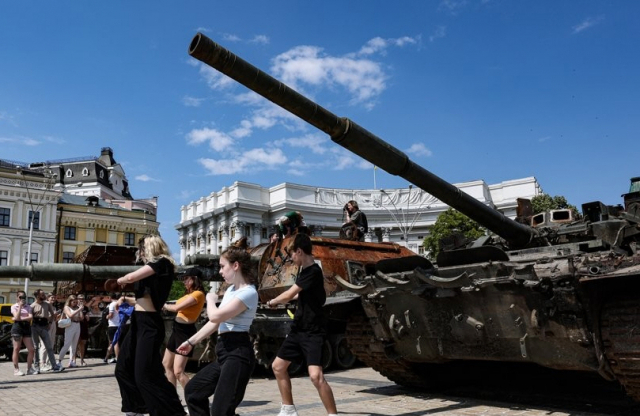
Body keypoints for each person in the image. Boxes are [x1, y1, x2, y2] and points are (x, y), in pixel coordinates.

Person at [177, 246, 258, 416]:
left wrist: (210, 299)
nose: (220, 271)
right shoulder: (230, 290)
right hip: (224, 352)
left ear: (235, 265)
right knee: (193, 391)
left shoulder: (249, 292)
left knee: (221, 411)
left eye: (223, 266)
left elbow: (215, 316)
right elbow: (216, 322)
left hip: (238, 353)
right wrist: (191, 342)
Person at [266, 234, 337, 416]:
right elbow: (302, 295)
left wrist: (273, 301)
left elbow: (290, 294)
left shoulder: (312, 271)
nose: (290, 258)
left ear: (299, 251)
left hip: (313, 331)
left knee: (316, 376)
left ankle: (333, 414)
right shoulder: (306, 272)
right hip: (298, 329)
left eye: (292, 255)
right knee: (278, 366)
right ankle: (288, 409)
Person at [115, 235, 186, 416]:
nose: (140, 254)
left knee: (144, 374)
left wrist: (122, 280)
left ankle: (170, 411)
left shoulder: (163, 263)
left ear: (150, 247)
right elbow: (143, 298)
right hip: (138, 321)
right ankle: (135, 407)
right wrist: (124, 299)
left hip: (150, 324)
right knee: (123, 367)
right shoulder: (151, 270)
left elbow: (130, 277)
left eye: (142, 249)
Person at [162, 269, 206, 390]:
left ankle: (194, 400)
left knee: (178, 372)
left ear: (194, 279)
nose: (184, 281)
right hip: (177, 330)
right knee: (166, 364)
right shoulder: (188, 294)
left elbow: (177, 308)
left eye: (186, 278)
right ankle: (173, 398)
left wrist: (164, 305)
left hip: (185, 332)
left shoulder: (198, 294)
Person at [30, 289, 64, 373]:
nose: (44, 296)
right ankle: (37, 366)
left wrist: (49, 323)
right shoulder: (32, 305)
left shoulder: (47, 304)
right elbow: (30, 317)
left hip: (44, 326)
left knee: (49, 346)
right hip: (35, 326)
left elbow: (53, 315)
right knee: (36, 347)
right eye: (42, 294)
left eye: (44, 294)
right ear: (37, 296)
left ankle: (54, 365)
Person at [11, 290, 35, 376]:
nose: (22, 299)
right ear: (17, 297)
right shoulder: (14, 306)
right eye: (20, 297)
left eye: (24, 297)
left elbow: (30, 317)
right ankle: (16, 369)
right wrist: (20, 307)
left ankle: (29, 368)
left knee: (31, 349)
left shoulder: (28, 306)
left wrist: (20, 318)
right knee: (16, 349)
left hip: (26, 327)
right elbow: (16, 317)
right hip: (18, 328)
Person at [57, 294, 83, 368]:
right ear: (70, 301)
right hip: (70, 325)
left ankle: (71, 361)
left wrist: (80, 309)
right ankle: (59, 361)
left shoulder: (77, 308)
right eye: (73, 302)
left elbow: (81, 318)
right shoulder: (66, 307)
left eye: (76, 302)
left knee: (74, 345)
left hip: (77, 325)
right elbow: (70, 315)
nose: (75, 303)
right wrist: (78, 310)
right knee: (67, 344)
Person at [40, 292, 59, 370]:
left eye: (54, 297)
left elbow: (54, 318)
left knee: (51, 344)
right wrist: (53, 315)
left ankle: (48, 362)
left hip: (53, 324)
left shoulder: (53, 307)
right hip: (45, 325)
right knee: (44, 345)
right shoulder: (44, 305)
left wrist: (57, 317)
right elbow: (43, 316)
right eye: (52, 297)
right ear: (48, 298)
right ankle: (42, 363)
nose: (53, 299)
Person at [104, 292, 121, 363]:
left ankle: (117, 357)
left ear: (110, 298)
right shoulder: (120, 303)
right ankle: (106, 357)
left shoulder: (111, 305)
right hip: (119, 324)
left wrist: (107, 317)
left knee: (113, 342)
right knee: (115, 342)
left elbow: (111, 315)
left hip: (112, 325)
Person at [76, 293, 90, 366]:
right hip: (76, 326)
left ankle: (82, 359)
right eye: (79, 299)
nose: (81, 300)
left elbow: (87, 317)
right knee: (75, 343)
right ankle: (73, 360)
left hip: (84, 327)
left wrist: (87, 316)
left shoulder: (86, 308)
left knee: (83, 343)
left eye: (82, 299)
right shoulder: (74, 307)